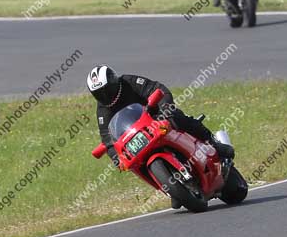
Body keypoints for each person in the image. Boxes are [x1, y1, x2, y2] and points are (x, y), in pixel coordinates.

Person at [86, 66, 235, 167]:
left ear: (114, 82)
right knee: (134, 163)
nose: (104, 95)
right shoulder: (103, 109)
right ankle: (169, 186)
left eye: (106, 90)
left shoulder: (129, 83)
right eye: (98, 93)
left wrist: (164, 110)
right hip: (136, 136)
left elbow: (157, 88)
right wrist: (116, 158)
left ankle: (214, 145)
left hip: (156, 116)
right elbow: (107, 137)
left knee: (177, 117)